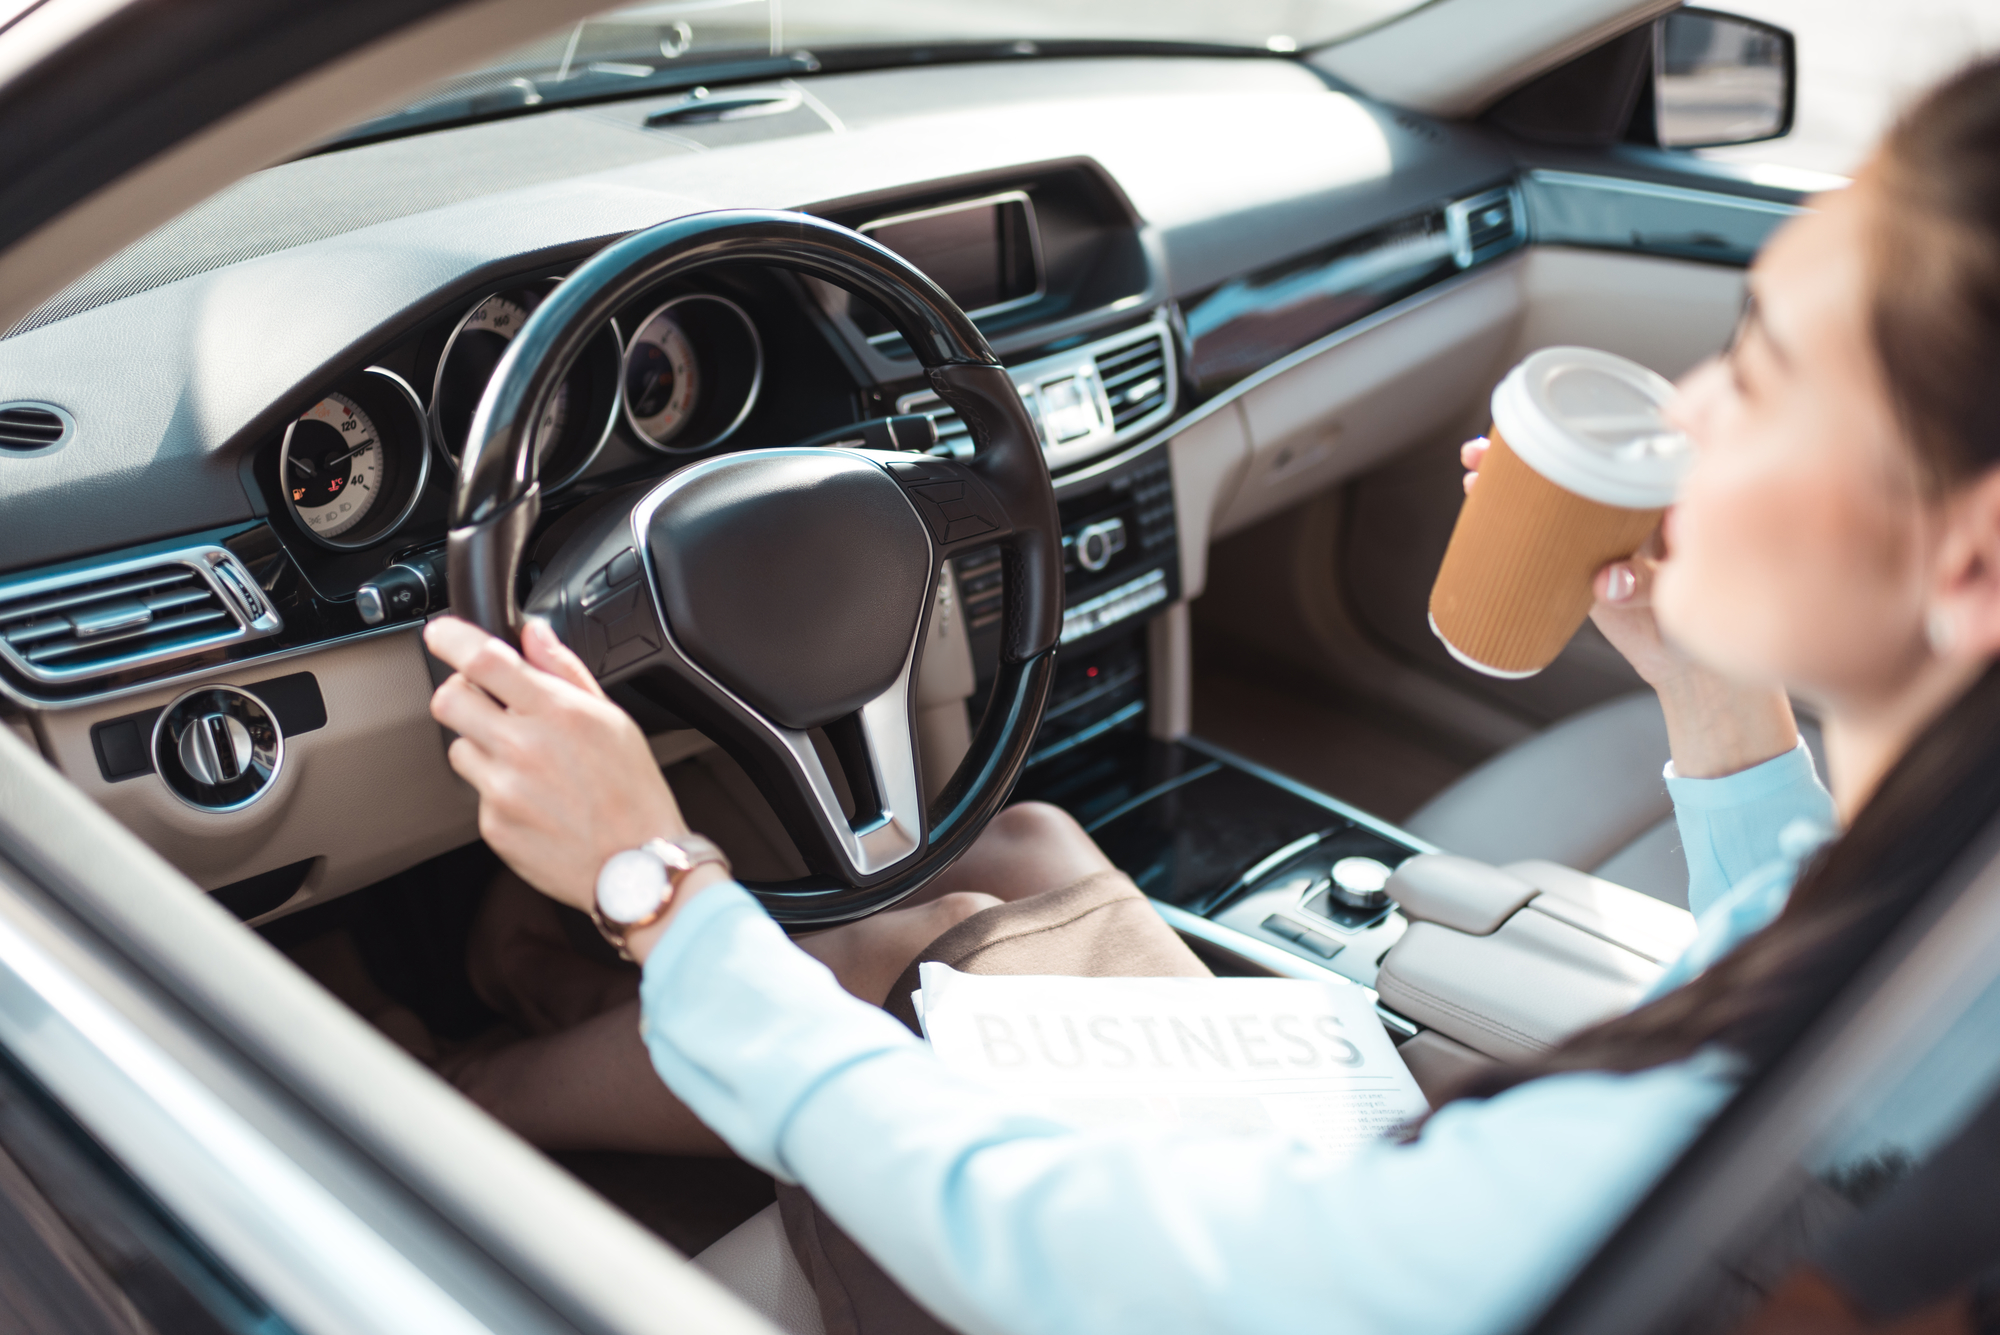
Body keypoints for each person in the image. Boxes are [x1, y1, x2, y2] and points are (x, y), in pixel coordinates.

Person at [418, 58, 2000, 1335]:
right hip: (1346, 1192)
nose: (1698, 405)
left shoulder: (1635, 1165)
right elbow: (1788, 930)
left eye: (1771, 371)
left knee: (862, 980)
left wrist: (660, 883)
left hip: (1186, 1269)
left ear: (1972, 564)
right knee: (1022, 853)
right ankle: (555, 1017)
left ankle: (452, 1086)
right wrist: (1721, 709)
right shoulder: (1944, 928)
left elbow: (1062, 1259)